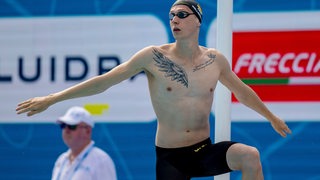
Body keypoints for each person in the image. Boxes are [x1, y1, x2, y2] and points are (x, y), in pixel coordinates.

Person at [16, 0, 292, 179]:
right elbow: (105, 80)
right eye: (171, 15)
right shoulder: (152, 57)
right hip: (170, 157)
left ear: (197, 20)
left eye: (182, 15)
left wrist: (271, 117)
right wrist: (53, 98)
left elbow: (242, 91)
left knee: (250, 156)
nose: (175, 19)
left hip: (203, 151)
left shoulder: (215, 60)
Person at [51, 106, 117, 180]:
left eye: (72, 126)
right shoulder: (61, 160)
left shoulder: (101, 161)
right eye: (63, 125)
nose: (66, 130)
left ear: (87, 130)